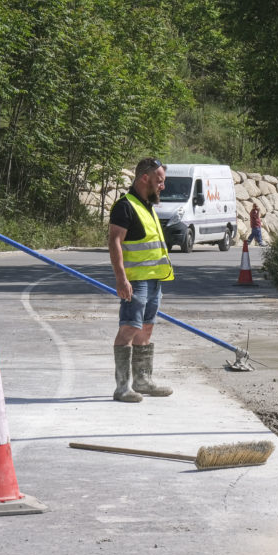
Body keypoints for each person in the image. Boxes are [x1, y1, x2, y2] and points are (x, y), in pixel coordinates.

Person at [108, 157, 175, 402]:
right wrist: (121, 279)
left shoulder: (147, 206)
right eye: (159, 180)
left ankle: (142, 381)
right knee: (129, 328)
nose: (162, 186)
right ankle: (122, 387)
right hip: (135, 281)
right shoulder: (125, 206)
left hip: (154, 280)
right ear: (144, 178)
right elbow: (114, 241)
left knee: (146, 328)